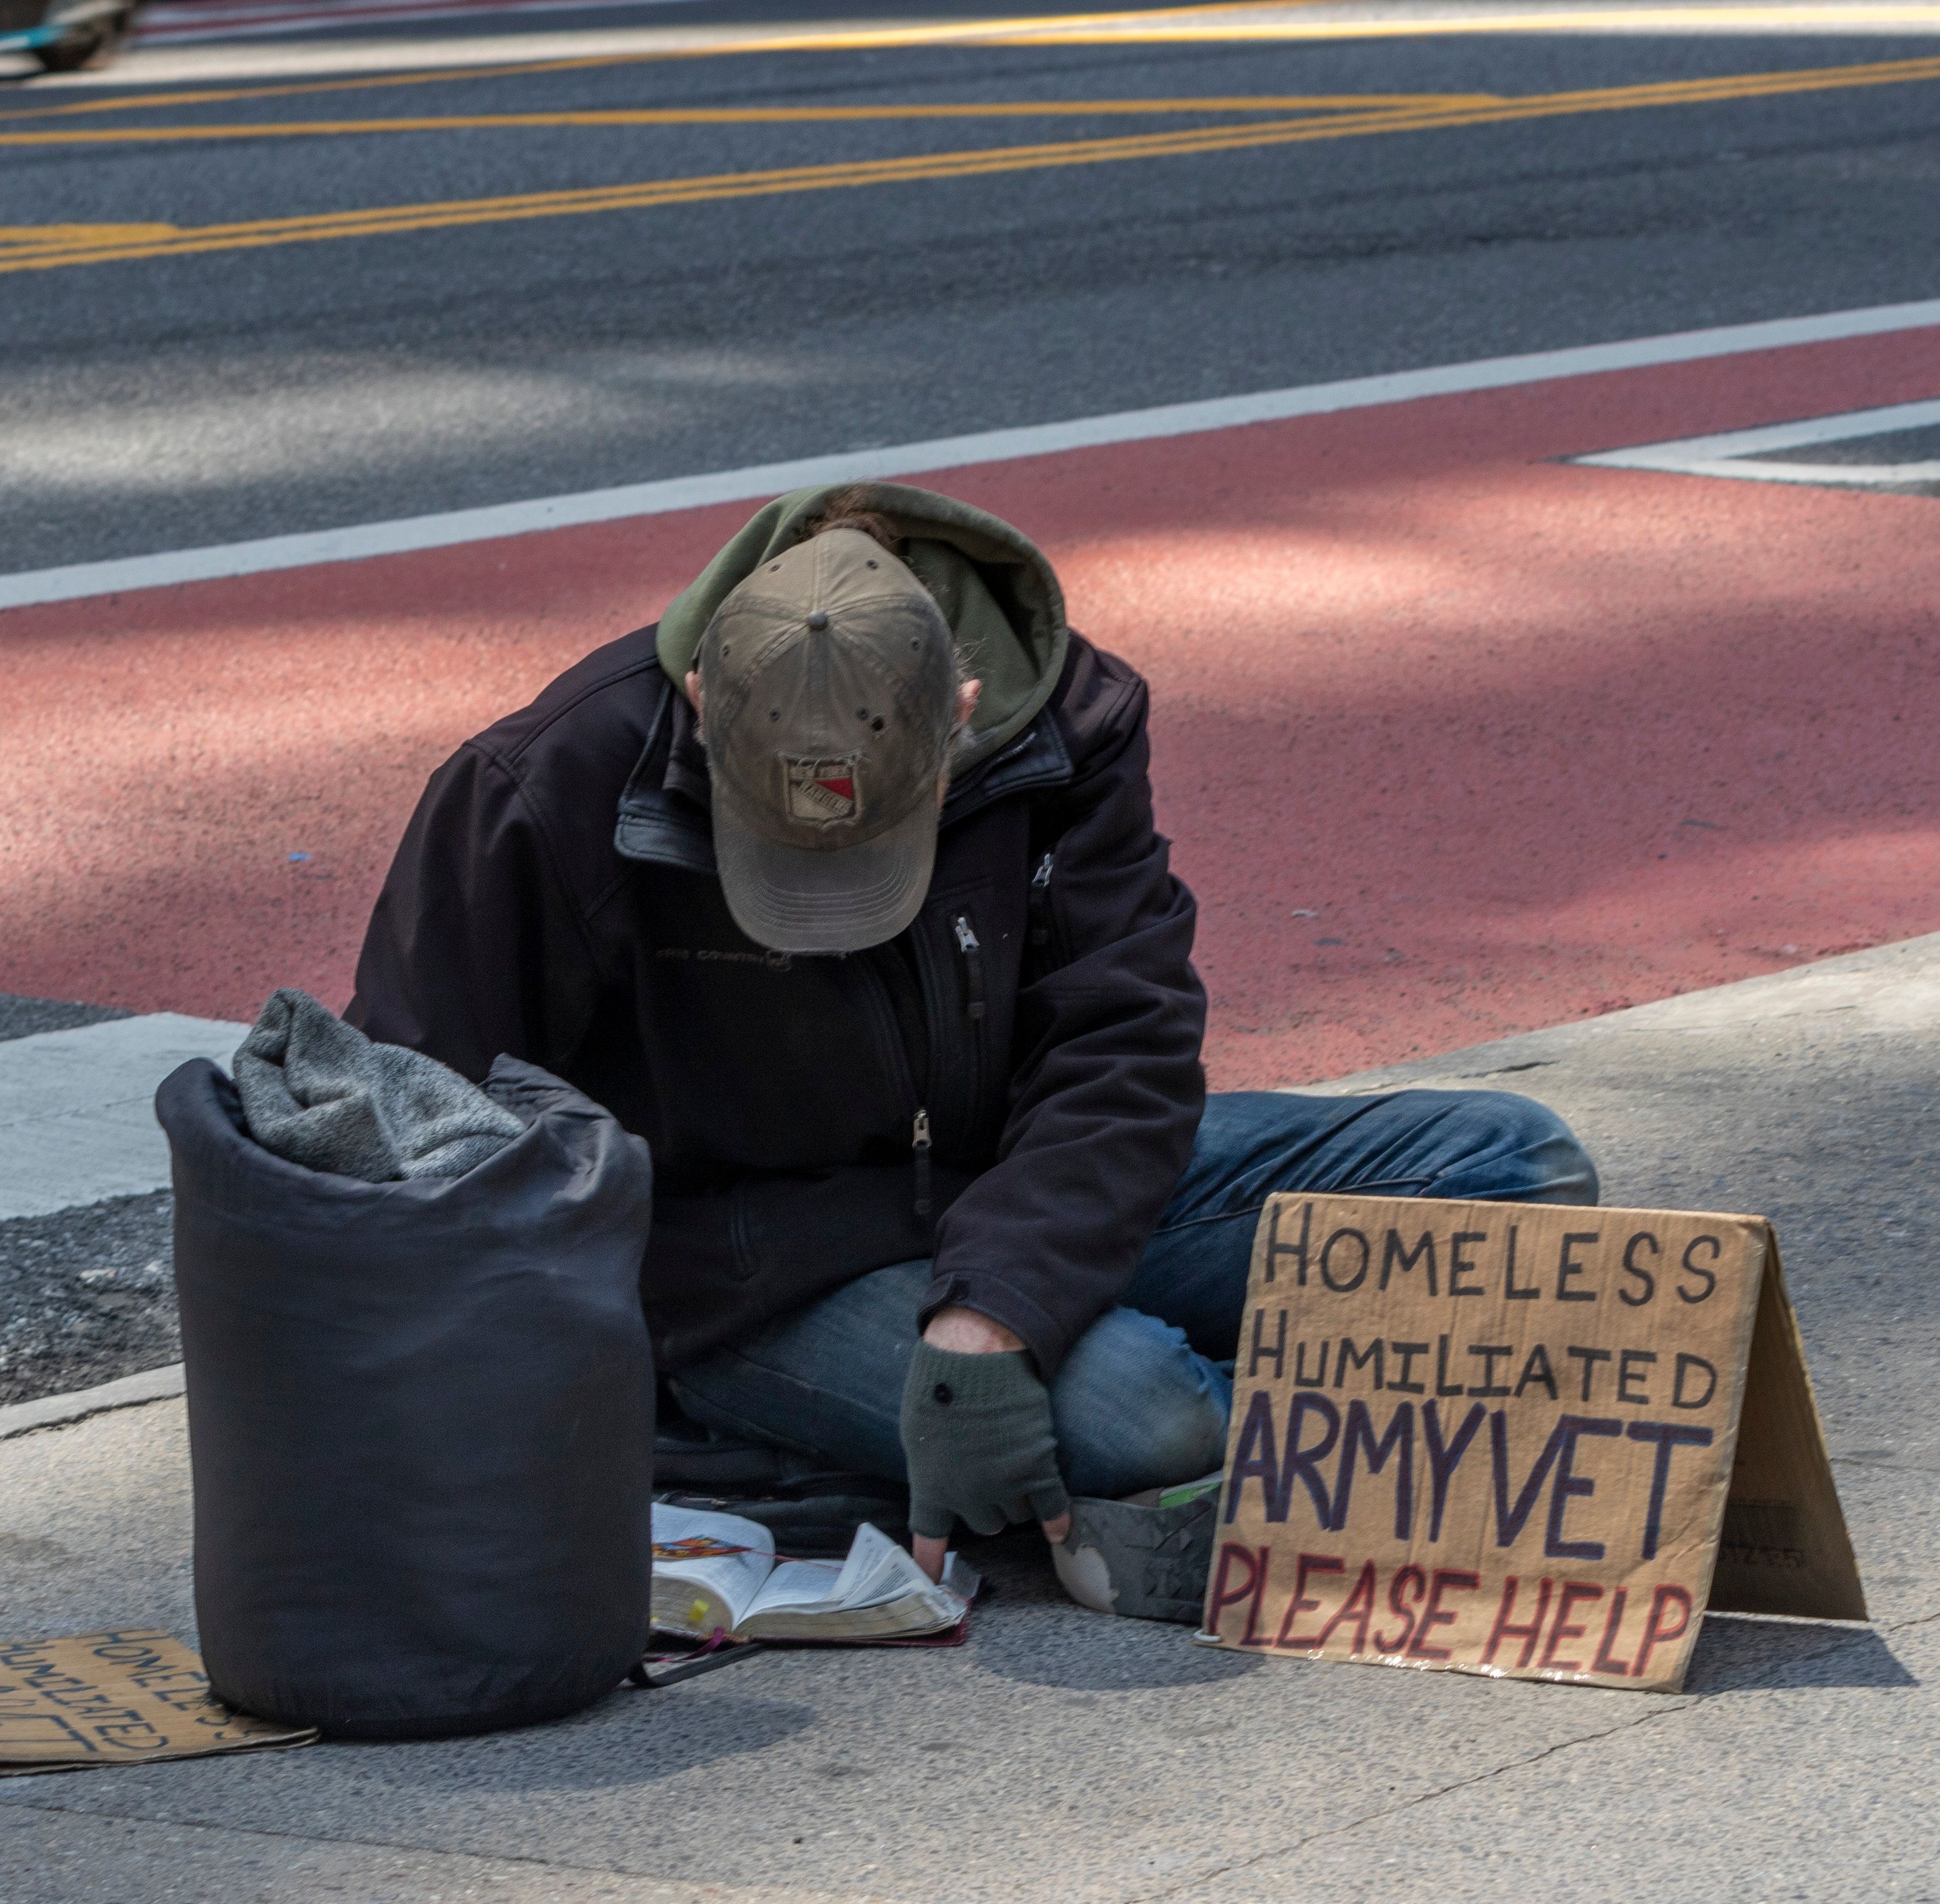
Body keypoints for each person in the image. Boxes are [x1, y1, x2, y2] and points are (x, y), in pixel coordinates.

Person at [348, 484, 1595, 1603]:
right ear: (699, 704)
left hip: (1010, 1182)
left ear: (960, 717)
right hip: (751, 1275)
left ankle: (974, 1430)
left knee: (1515, 1173)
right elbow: (405, 1106)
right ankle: (756, 1437)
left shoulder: (1073, 723)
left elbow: (1123, 1043)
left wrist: (994, 1318)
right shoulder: (549, 780)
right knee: (1151, 1421)